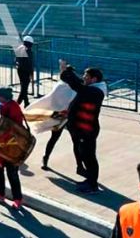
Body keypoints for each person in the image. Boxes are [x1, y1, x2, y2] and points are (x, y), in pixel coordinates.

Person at [60, 61, 106, 194]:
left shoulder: (96, 91)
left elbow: (77, 85)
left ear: (94, 79)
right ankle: (89, 180)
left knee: (89, 157)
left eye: (86, 77)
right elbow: (78, 85)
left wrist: (65, 72)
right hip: (81, 128)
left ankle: (93, 185)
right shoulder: (91, 88)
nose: (83, 78)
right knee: (84, 155)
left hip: (87, 130)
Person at [0, 86, 24, 209]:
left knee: (12, 173)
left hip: (11, 145)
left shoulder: (13, 107)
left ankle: (17, 198)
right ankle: (0, 194)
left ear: (3, 97)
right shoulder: (2, 106)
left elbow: (6, 121)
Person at [14, 36, 35, 107]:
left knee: (24, 87)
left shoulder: (19, 48)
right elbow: (29, 63)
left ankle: (26, 103)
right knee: (24, 88)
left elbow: (16, 59)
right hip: (26, 71)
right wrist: (31, 73)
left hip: (19, 69)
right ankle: (18, 103)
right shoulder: (27, 50)